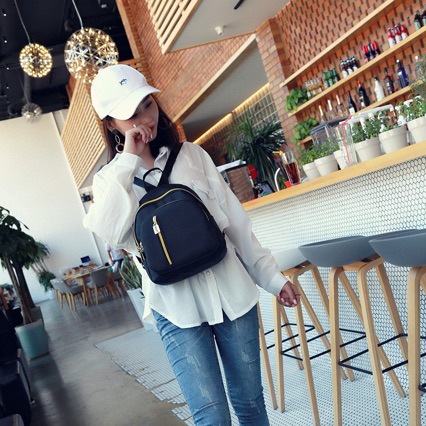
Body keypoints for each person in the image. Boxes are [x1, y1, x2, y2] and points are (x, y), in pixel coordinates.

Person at [83, 64, 300, 425]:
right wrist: (129, 161)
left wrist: (273, 278)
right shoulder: (109, 181)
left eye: (147, 105)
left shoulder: (192, 156)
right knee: (210, 417)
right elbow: (112, 234)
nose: (145, 118)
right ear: (111, 124)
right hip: (175, 309)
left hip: (232, 294)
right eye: (131, 114)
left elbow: (237, 225)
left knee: (250, 405)